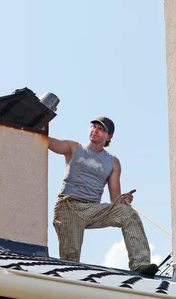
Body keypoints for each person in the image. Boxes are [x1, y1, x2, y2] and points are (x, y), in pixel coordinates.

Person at [48, 116, 159, 277]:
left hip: (92, 208)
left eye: (101, 129)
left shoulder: (113, 162)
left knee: (126, 212)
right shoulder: (74, 148)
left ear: (109, 136)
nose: (95, 131)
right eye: (93, 127)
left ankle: (140, 263)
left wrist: (123, 200)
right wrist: (36, 125)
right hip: (68, 206)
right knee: (70, 262)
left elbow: (115, 197)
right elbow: (51, 142)